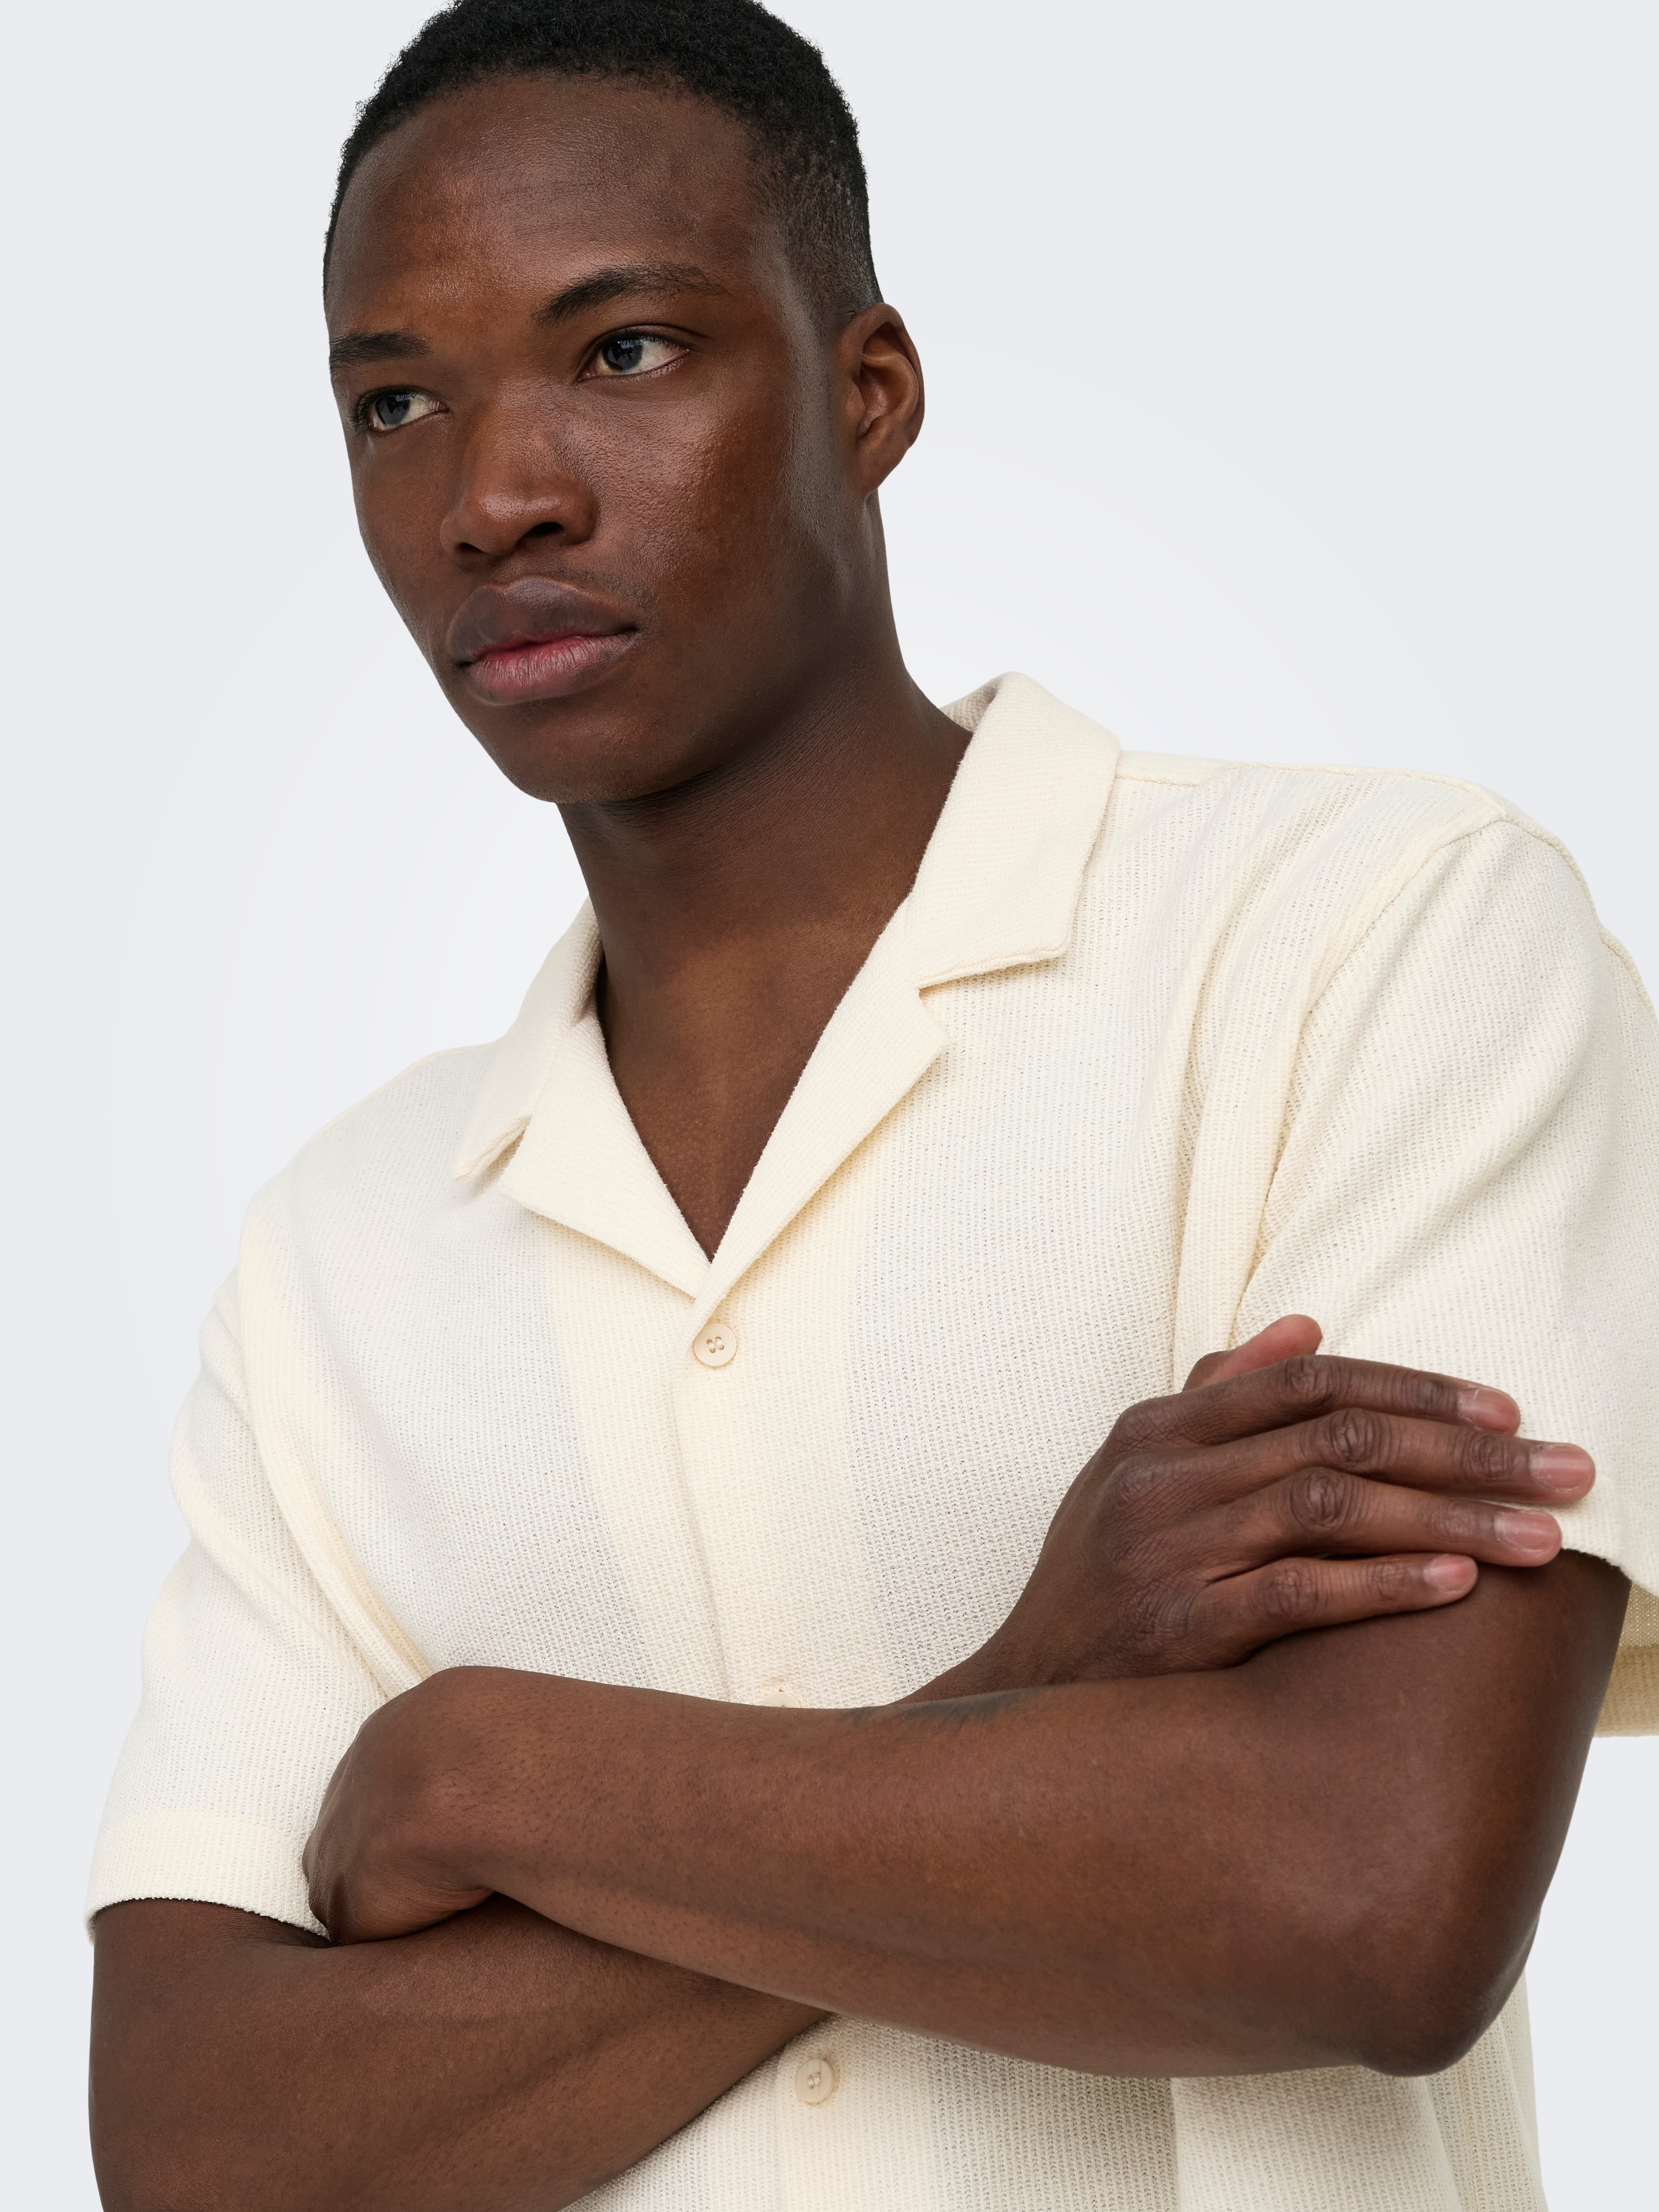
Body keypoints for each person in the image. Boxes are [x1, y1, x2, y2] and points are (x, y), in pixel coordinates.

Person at [87, 4, 1659, 2208]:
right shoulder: (339, 1250)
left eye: (624, 350)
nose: (496, 495)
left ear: (870, 392)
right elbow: (199, 2137)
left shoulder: (1367, 938)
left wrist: (492, 1768)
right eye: (396, 402)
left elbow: (1366, 1903)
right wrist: (1027, 1681)